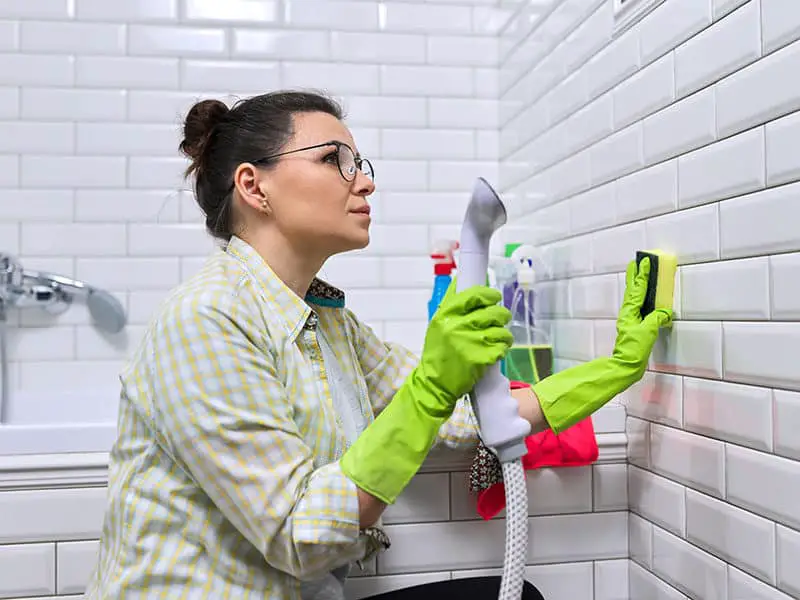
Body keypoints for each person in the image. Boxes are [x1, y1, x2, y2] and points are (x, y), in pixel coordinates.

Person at [84, 90, 670, 599]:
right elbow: (301, 535)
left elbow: (471, 420)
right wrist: (432, 383)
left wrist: (618, 367)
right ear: (253, 185)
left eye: (358, 162)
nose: (364, 180)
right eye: (333, 160)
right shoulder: (206, 319)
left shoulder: (328, 321)